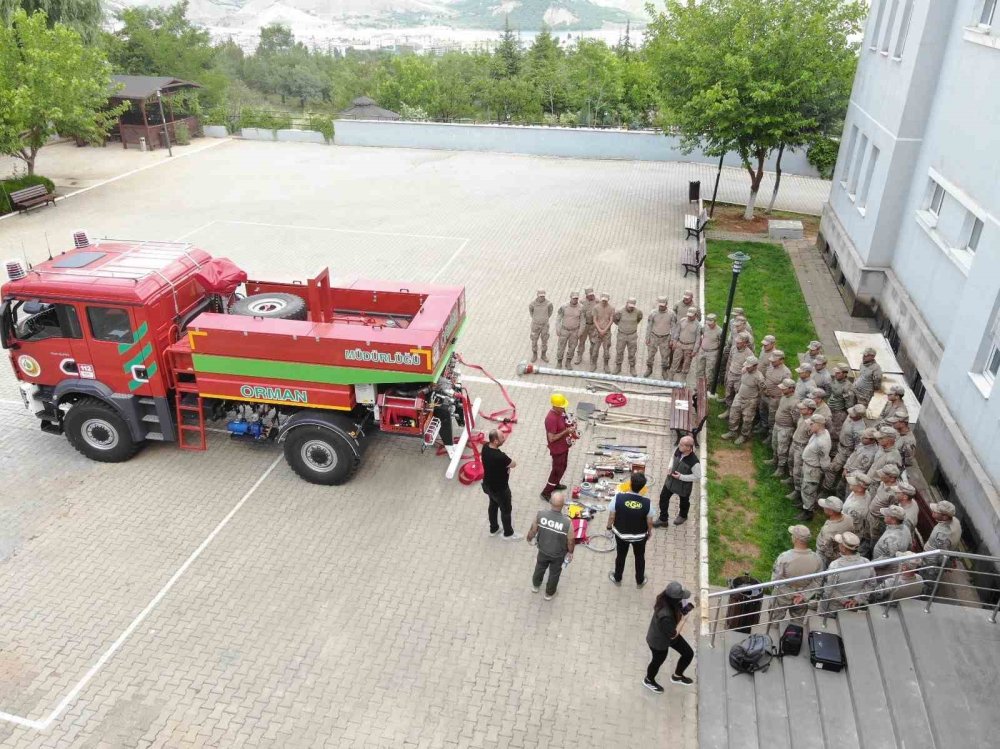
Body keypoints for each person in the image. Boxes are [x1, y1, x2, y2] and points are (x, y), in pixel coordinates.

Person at [644, 581, 695, 692]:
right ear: (674, 599)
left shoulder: (665, 599)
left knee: (688, 653)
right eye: (680, 597)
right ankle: (649, 680)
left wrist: (683, 610)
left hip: (668, 633)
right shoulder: (665, 615)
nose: (682, 599)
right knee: (657, 661)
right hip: (659, 642)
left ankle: (677, 676)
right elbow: (673, 635)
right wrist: (683, 620)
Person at [607, 472, 655, 587]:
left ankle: (617, 578)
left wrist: (609, 527)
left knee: (621, 556)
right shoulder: (648, 503)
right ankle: (640, 580)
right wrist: (649, 532)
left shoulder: (618, 498)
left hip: (621, 535)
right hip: (639, 537)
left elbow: (612, 516)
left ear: (630, 484)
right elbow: (649, 521)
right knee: (639, 557)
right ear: (643, 487)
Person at [769, 525, 823, 622]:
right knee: (797, 621)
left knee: (774, 619)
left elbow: (775, 581)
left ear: (795, 538)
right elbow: (818, 581)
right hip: (802, 598)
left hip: (783, 595)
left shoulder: (784, 558)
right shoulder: (817, 559)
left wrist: (791, 594)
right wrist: (804, 595)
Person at [526, 491, 574, 600]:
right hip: (558, 554)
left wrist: (529, 538)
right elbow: (571, 541)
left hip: (542, 550)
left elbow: (533, 530)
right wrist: (570, 552)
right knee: (554, 573)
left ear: (550, 502)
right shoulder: (567, 523)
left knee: (539, 567)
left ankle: (535, 586)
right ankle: (549, 593)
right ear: (563, 505)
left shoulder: (541, 514)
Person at [818, 532, 875, 614]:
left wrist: (844, 601)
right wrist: (856, 599)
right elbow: (871, 584)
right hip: (854, 605)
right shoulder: (867, 562)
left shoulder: (835, 566)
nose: (838, 545)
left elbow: (828, 590)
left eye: (840, 544)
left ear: (843, 548)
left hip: (834, 608)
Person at [655, 435, 701, 527]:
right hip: (670, 482)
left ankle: (683, 516)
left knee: (684, 502)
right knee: (663, 498)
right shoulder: (679, 450)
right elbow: (673, 458)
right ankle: (663, 519)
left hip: (683, 486)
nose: (679, 445)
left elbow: (697, 476)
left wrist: (681, 477)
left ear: (688, 448)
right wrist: (670, 467)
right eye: (679, 443)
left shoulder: (694, 462)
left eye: (682, 444)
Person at [481, 429, 517, 539]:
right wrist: (507, 468)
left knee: (493, 505)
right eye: (502, 438)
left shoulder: (485, 447)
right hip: (500, 489)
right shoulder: (500, 456)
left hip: (487, 485)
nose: (504, 438)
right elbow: (513, 464)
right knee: (506, 510)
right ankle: (508, 533)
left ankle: (494, 528)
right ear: (495, 441)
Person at [823, 404, 867, 494]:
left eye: (853, 414)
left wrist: (849, 460)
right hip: (840, 444)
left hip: (846, 451)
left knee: (832, 469)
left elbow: (857, 447)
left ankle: (826, 489)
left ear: (859, 416)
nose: (850, 414)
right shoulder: (850, 416)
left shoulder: (859, 430)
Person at [541, 393, 577, 501]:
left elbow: (565, 420)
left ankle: (555, 483)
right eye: (561, 406)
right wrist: (566, 431)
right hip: (557, 449)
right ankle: (546, 492)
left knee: (563, 466)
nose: (564, 408)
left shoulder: (561, 412)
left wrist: (571, 425)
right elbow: (551, 438)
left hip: (564, 446)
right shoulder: (551, 419)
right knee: (557, 470)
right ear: (555, 406)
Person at [722, 355, 764, 445]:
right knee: (733, 415)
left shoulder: (759, 377)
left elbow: (762, 390)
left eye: (749, 367)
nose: (747, 368)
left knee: (747, 420)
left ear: (755, 366)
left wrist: (754, 400)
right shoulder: (744, 370)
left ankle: (744, 435)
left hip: (750, 400)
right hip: (739, 396)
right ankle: (732, 431)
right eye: (746, 366)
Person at [797, 414, 832, 521]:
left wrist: (821, 473)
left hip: (813, 469)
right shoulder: (818, 433)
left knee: (809, 490)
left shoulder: (822, 442)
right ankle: (805, 505)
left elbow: (825, 461)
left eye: (811, 424)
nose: (809, 426)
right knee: (805, 488)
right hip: (808, 466)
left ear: (818, 425)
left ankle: (808, 512)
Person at [784, 399, 816, 499]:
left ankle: (797, 490)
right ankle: (791, 478)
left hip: (801, 447)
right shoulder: (802, 416)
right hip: (795, 443)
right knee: (790, 461)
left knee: (798, 469)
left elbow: (812, 438)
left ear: (810, 410)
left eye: (803, 408)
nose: (800, 409)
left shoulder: (811, 423)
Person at [766, 379, 799, 478]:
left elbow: (796, 420)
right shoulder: (784, 396)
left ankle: (781, 468)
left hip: (786, 429)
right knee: (775, 444)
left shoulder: (795, 402)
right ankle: (774, 460)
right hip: (777, 425)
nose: (781, 389)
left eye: (784, 388)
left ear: (791, 389)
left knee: (782, 449)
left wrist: (790, 428)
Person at [758, 349, 790, 438]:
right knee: (762, 411)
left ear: (781, 360)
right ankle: (763, 426)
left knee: (771, 417)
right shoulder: (770, 366)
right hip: (764, 394)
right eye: (771, 360)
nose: (772, 362)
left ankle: (770, 434)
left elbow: (786, 389)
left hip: (774, 399)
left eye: (774, 361)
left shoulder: (786, 373)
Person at [719, 332, 752, 417]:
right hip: (731, 373)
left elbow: (749, 370)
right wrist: (727, 372)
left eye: (739, 342)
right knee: (728, 392)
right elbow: (729, 361)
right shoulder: (733, 348)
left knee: (737, 395)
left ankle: (735, 413)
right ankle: (728, 408)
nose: (736, 343)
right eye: (736, 341)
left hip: (739, 377)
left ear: (745, 343)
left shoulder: (749, 354)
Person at [815, 496, 854, 566]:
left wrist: (834, 558)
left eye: (825, 507)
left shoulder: (828, 530)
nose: (823, 508)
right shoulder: (849, 518)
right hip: (841, 549)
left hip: (824, 554)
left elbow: (827, 552)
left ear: (831, 511)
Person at [644, 296, 674, 379]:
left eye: (663, 305)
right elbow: (649, 326)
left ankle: (664, 370)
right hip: (654, 336)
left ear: (666, 304)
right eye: (660, 305)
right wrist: (647, 337)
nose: (661, 307)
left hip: (665, 338)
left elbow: (674, 327)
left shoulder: (671, 314)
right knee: (650, 355)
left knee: (665, 356)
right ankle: (649, 368)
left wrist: (672, 340)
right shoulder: (653, 313)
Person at [613, 298, 643, 376]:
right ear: (626, 303)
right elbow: (615, 320)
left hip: (632, 335)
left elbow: (639, 319)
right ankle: (618, 366)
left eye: (632, 306)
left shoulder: (638, 312)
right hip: (622, 335)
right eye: (629, 306)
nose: (631, 308)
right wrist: (622, 327)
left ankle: (632, 367)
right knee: (619, 351)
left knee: (632, 353)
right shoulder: (620, 312)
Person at [827, 364, 857, 440]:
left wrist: (844, 414)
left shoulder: (847, 387)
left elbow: (849, 404)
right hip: (830, 408)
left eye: (838, 373)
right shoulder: (835, 380)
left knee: (836, 431)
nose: (835, 374)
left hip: (838, 412)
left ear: (845, 374)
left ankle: (835, 446)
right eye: (835, 372)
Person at [556, 291, 584, 370]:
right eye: (574, 298)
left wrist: (580, 331)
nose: (575, 300)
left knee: (572, 347)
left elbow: (583, 321)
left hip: (574, 331)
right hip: (564, 330)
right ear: (570, 298)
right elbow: (558, 318)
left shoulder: (581, 308)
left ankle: (568, 362)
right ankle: (559, 362)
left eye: (576, 298)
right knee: (561, 347)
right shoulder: (564, 306)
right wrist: (558, 329)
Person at [694, 313, 723, 387]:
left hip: (712, 353)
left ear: (715, 321)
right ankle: (699, 385)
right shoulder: (705, 327)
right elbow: (701, 335)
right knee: (699, 369)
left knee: (709, 371)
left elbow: (722, 343)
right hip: (702, 350)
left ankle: (707, 387)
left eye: (711, 323)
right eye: (708, 323)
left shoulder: (719, 331)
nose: (709, 325)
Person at [670, 307, 700, 375]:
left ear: (695, 315)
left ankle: (684, 376)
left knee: (687, 362)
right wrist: (674, 342)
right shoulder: (682, 321)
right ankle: (671, 375)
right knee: (675, 360)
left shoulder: (698, 325)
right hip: (680, 344)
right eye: (688, 315)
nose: (689, 317)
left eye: (691, 316)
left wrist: (695, 350)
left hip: (689, 346)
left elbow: (698, 339)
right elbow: (677, 332)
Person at [591, 293, 614, 372]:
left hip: (606, 333)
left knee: (606, 351)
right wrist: (600, 330)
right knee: (595, 350)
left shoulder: (611, 308)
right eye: (603, 300)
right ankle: (594, 364)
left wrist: (604, 330)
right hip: (597, 333)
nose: (604, 302)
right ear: (601, 299)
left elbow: (611, 320)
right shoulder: (596, 308)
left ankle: (606, 365)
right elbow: (594, 319)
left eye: (605, 300)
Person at [528, 289, 553, 363]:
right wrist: (536, 319)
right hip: (535, 325)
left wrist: (544, 319)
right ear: (537, 296)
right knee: (534, 341)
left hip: (544, 325)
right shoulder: (532, 304)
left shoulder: (548, 304)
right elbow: (531, 312)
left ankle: (543, 355)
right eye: (540, 296)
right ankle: (534, 354)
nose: (542, 298)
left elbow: (550, 312)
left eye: (543, 296)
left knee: (544, 340)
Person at [574, 287, 597, 365]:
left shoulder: (597, 302)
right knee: (581, 342)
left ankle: (592, 357)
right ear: (586, 295)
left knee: (593, 342)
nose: (591, 296)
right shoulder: (582, 302)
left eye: (592, 294)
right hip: (584, 326)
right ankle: (579, 355)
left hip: (593, 326)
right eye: (589, 295)